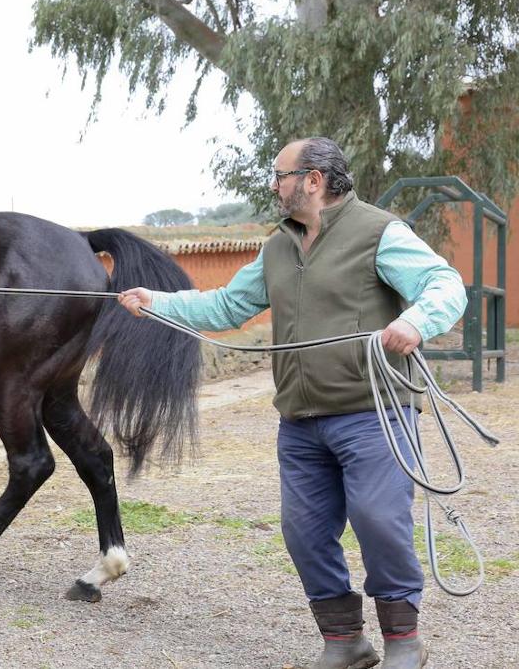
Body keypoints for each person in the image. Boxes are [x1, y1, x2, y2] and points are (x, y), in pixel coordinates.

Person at [119, 137, 465, 669]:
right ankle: (345, 640)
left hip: (373, 411)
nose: (274, 186)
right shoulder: (276, 246)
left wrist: (415, 322)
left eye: (280, 175)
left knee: (378, 518)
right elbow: (228, 304)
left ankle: (403, 641)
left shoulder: (379, 232)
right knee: (302, 531)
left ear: (313, 179)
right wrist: (157, 301)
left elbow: (444, 284)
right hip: (301, 420)